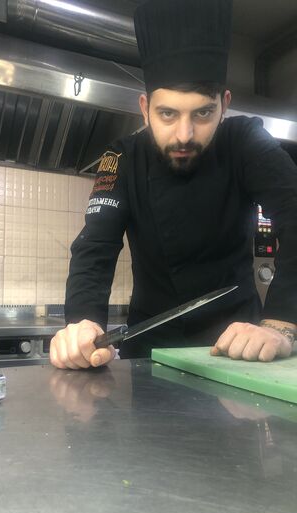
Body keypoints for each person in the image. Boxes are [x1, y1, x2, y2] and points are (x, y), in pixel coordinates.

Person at [50, 0, 297, 370]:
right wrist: (83, 322)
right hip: (149, 354)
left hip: (239, 350)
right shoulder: (122, 157)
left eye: (203, 113)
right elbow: (95, 247)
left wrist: (281, 323)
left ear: (224, 105)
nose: (185, 134)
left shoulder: (245, 141)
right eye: (167, 114)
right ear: (145, 108)